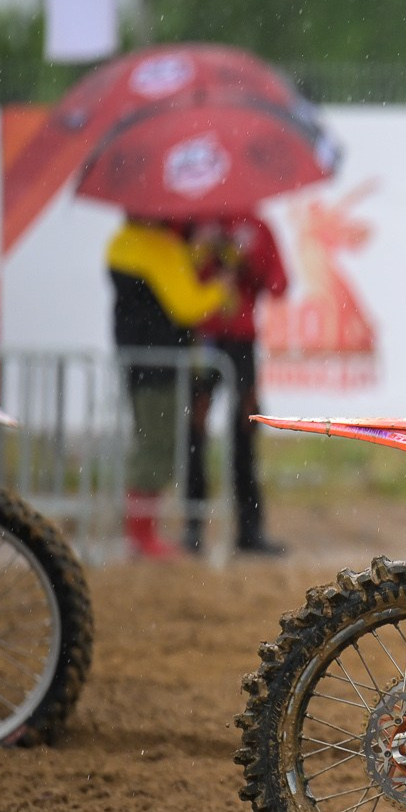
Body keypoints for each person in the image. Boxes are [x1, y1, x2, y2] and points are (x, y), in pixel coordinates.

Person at [107, 218, 235, 560]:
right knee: (156, 447)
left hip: (140, 363)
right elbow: (185, 304)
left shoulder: (123, 242)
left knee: (150, 444)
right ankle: (141, 536)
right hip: (160, 367)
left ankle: (140, 533)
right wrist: (220, 287)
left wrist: (192, 254)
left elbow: (161, 286)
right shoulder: (159, 245)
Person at [184, 215, 289, 555]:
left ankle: (249, 529)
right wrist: (204, 253)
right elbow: (176, 279)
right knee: (193, 432)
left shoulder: (257, 226)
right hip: (204, 337)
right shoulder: (190, 222)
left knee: (245, 431)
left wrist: (245, 262)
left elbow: (278, 284)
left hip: (241, 343)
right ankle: (192, 526)